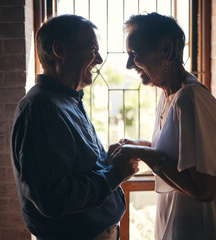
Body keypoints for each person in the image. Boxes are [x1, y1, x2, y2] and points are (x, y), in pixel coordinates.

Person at [11, 14, 139, 240]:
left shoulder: (68, 100)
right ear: (59, 49)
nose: (99, 59)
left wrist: (108, 161)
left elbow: (77, 171)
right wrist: (115, 173)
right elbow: (52, 198)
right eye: (92, 49)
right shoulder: (41, 109)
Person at [112, 12, 216, 240]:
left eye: (134, 54)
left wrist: (143, 153)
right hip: (176, 219)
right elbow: (182, 155)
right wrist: (141, 145)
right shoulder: (168, 95)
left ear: (166, 50)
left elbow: (207, 189)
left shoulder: (190, 98)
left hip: (198, 229)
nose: (129, 64)